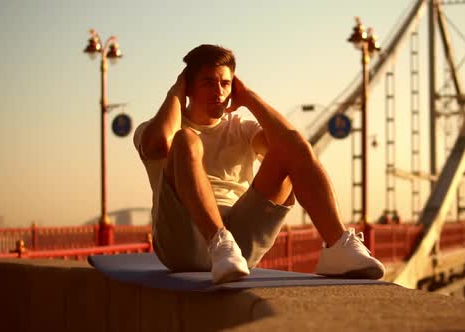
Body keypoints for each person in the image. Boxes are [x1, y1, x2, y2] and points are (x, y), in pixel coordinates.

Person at [134, 44, 385, 284]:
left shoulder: (242, 129)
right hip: (182, 243)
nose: (219, 91)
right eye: (208, 82)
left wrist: (250, 98)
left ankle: (337, 244)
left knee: (288, 144)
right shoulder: (157, 128)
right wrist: (175, 92)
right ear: (188, 86)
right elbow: (159, 144)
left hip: (238, 250)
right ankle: (218, 240)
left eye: (225, 83)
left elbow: (294, 145)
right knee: (186, 139)